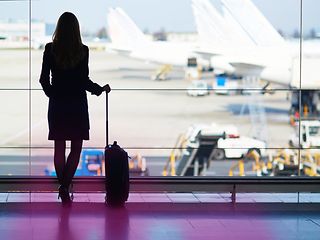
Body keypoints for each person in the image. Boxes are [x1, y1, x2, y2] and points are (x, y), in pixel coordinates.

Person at [39, 12, 110, 204]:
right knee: (76, 148)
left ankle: (63, 187)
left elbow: (43, 80)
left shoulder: (50, 49)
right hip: (77, 105)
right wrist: (99, 90)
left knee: (59, 148)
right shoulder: (83, 50)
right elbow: (83, 80)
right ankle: (64, 186)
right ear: (77, 29)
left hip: (58, 105)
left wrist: (53, 95)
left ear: (59, 28)